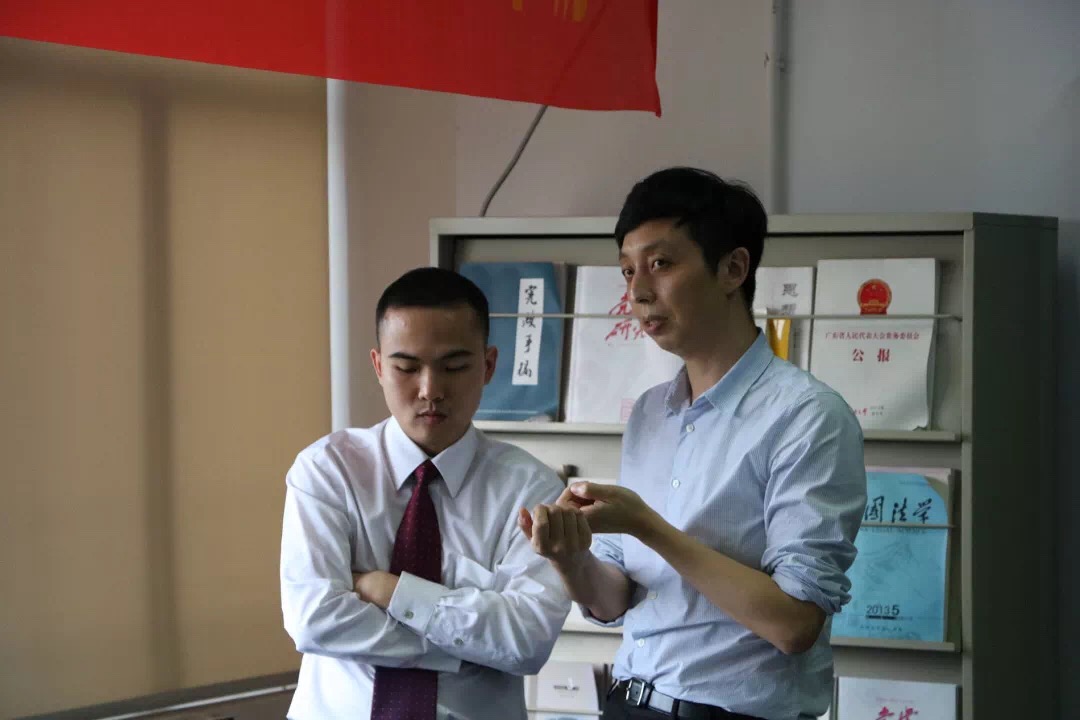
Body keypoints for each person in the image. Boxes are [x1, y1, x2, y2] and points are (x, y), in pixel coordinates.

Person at [521, 168, 866, 720]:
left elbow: (794, 624)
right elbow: (615, 599)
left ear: (733, 269)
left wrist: (648, 526)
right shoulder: (650, 413)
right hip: (629, 701)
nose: (638, 292)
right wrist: (569, 559)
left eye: (660, 264)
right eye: (628, 270)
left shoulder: (807, 415)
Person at [281, 267, 571, 720]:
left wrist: (388, 590)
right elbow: (314, 620)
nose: (430, 390)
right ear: (379, 366)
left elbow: (527, 641)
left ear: (488, 366)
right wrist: (465, 645)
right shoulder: (328, 470)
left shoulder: (531, 489)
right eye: (407, 367)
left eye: (454, 367)